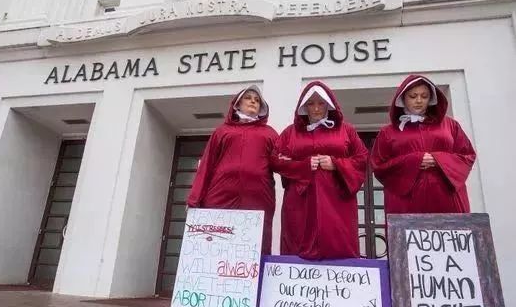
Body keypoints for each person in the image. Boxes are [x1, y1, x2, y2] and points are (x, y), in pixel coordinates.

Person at [273, 81, 368, 260]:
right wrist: (301, 165)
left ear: (329, 105)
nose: (316, 108)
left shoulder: (346, 130)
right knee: (297, 243)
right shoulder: (290, 132)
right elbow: (275, 160)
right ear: (304, 107)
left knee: (338, 243)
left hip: (337, 198)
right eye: (311, 104)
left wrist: (336, 164)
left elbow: (362, 157)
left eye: (321, 103)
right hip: (300, 199)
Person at [187, 86, 277, 255]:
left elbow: (282, 162)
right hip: (220, 196)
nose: (253, 101)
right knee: (215, 241)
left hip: (257, 198)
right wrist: (194, 199)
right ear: (237, 104)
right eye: (248, 98)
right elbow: (206, 165)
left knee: (253, 246)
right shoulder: (222, 132)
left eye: (257, 100)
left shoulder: (270, 134)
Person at [371, 74, 476, 214]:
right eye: (413, 96)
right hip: (407, 201)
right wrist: (414, 160)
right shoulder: (388, 132)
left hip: (448, 198)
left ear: (431, 98)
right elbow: (378, 165)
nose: (419, 100)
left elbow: (467, 155)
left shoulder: (450, 125)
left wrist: (438, 160)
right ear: (402, 98)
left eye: (424, 96)